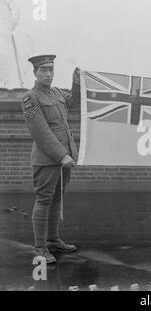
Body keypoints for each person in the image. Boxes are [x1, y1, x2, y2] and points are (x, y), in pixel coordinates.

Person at [21, 54, 81, 263]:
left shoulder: (56, 93)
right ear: (35, 72)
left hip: (64, 158)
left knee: (57, 198)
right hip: (47, 159)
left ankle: (54, 240)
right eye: (44, 70)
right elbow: (40, 132)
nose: (48, 74)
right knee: (44, 200)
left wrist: (76, 83)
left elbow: (75, 102)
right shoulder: (30, 97)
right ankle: (40, 249)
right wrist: (62, 155)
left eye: (51, 69)